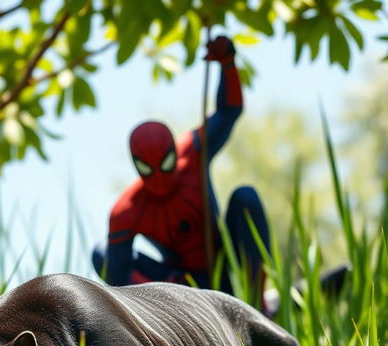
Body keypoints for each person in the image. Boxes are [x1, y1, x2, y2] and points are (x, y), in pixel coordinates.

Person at [92, 35, 271, 309]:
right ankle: (164, 322)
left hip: (227, 269)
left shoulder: (194, 151)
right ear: (136, 167)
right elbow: (116, 283)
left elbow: (229, 111)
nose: (160, 178)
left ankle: (257, 307)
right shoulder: (126, 212)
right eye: (147, 170)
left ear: (175, 154)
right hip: (179, 289)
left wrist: (227, 64)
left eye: (165, 165)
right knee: (102, 253)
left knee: (245, 198)